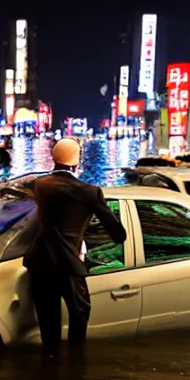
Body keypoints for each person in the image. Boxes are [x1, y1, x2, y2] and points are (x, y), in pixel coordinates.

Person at [24, 137, 127, 356]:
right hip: (69, 263)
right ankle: (74, 363)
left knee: (48, 321)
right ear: (76, 162)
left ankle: (50, 363)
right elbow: (117, 234)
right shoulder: (89, 192)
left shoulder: (39, 185)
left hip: (40, 260)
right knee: (80, 312)